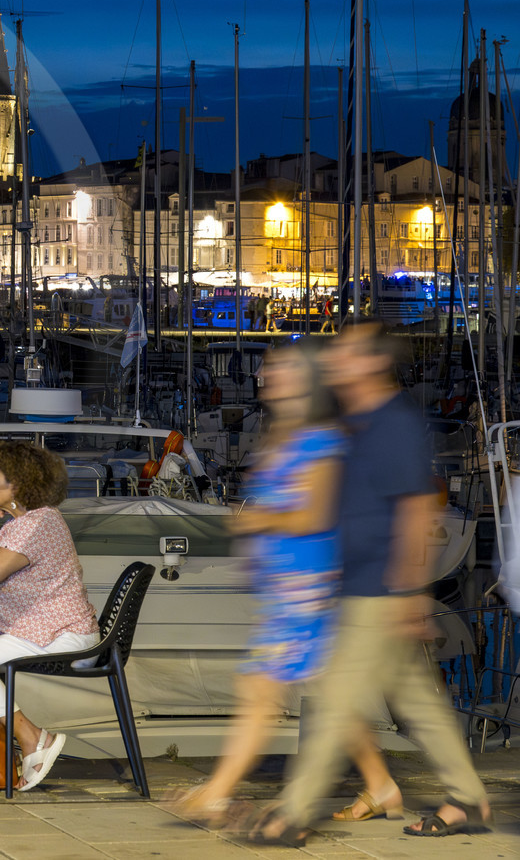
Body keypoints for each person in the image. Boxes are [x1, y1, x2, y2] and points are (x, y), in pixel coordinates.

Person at [252, 321, 490, 844]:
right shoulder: (351, 423)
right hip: (355, 584)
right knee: (417, 700)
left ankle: (293, 813)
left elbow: (413, 509)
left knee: (335, 699)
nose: (334, 358)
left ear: (372, 364)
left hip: (379, 590)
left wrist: (411, 593)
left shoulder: (393, 424)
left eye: (347, 351)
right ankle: (469, 798)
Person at [165, 339, 398, 826]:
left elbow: (315, 514)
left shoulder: (322, 439)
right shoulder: (282, 435)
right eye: (271, 369)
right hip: (285, 588)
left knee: (258, 688)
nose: (272, 376)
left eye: (286, 368)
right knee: (330, 692)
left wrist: (254, 521)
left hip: (307, 588)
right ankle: (382, 785)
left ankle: (217, 793)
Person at [0, 440, 98, 791]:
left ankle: (33, 739)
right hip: (38, 629)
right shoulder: (31, 521)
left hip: (62, 635)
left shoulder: (34, 526)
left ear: (17, 484)